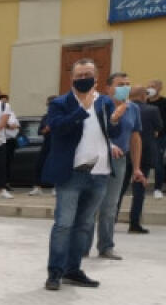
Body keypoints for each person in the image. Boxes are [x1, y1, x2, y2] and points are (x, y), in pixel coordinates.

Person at [42, 58, 121, 291]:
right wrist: (82, 109)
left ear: (96, 77)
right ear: (72, 78)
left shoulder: (105, 102)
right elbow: (58, 128)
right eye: (79, 75)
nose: (83, 78)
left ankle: (73, 271)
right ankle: (55, 272)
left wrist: (115, 120)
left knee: (85, 225)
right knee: (64, 224)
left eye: (88, 74)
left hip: (100, 173)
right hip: (72, 174)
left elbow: (112, 131)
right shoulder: (60, 103)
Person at [89, 72, 141, 261]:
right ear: (108, 88)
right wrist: (108, 145)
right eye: (120, 84)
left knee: (110, 205)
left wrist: (136, 167)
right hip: (95, 158)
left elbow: (135, 138)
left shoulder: (133, 108)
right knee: (90, 203)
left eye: (128, 84)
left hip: (119, 162)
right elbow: (91, 131)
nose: (125, 88)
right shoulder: (99, 104)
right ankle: (82, 246)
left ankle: (106, 246)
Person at [129, 85, 160, 234]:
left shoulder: (124, 108)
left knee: (119, 189)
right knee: (139, 190)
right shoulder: (152, 110)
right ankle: (134, 223)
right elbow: (159, 127)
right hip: (145, 153)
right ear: (143, 96)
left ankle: (111, 219)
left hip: (126, 151)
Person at [29, 96, 56, 197]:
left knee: (55, 166)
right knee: (39, 164)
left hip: (57, 144)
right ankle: (37, 187)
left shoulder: (61, 115)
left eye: (50, 104)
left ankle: (55, 187)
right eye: (48, 104)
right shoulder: (46, 117)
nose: (48, 106)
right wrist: (46, 129)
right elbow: (40, 131)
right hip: (46, 143)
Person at [147, 79, 166, 198]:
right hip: (144, 137)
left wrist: (159, 131)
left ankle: (158, 188)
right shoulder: (144, 101)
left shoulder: (164, 103)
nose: (150, 88)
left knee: (158, 162)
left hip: (160, 137)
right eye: (148, 86)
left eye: (153, 86)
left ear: (159, 88)